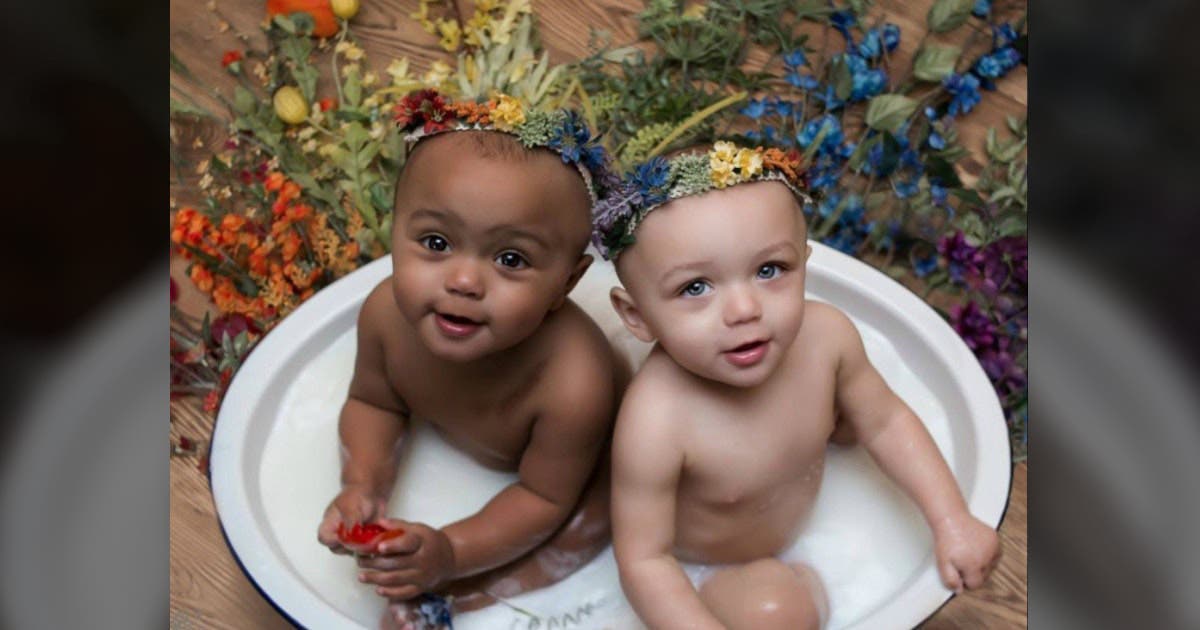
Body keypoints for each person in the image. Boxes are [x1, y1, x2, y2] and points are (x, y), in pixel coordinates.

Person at [594, 142, 1001, 629]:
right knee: (780, 615)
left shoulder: (827, 336)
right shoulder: (658, 421)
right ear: (637, 317)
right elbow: (645, 561)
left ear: (805, 263)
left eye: (770, 270)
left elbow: (889, 422)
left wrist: (951, 521)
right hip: (714, 566)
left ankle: (832, 429)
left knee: (858, 412)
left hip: (787, 496)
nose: (744, 309)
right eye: (695, 288)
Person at [315, 90, 629, 626]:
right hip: (518, 473)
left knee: (591, 525)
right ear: (393, 231)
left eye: (511, 259)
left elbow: (542, 499)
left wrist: (452, 553)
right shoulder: (386, 316)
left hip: (581, 472)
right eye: (435, 242)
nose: (463, 280)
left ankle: (461, 602)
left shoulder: (574, 383)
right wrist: (363, 484)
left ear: (567, 283)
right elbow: (374, 403)